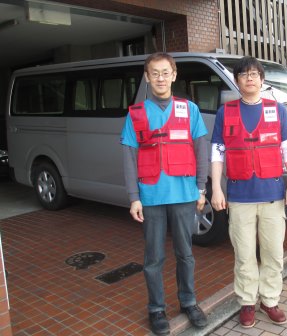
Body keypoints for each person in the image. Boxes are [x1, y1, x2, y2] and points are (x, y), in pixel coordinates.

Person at [120, 52, 208, 335]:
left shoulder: (189, 109)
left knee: (186, 254)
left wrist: (202, 187)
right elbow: (129, 155)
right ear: (147, 77)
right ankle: (156, 309)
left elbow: (201, 148)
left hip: (184, 193)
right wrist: (134, 196)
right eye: (154, 73)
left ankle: (188, 302)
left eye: (165, 72)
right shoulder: (136, 114)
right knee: (154, 258)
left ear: (174, 74)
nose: (160, 77)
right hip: (151, 196)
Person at [210, 56, 287, 328]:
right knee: (244, 253)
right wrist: (216, 188)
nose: (250, 78)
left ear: (262, 80)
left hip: (272, 194)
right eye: (244, 74)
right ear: (237, 81)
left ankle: (270, 300)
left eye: (254, 74)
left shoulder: (278, 109)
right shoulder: (226, 112)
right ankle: (247, 302)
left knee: (272, 252)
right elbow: (217, 151)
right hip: (239, 197)